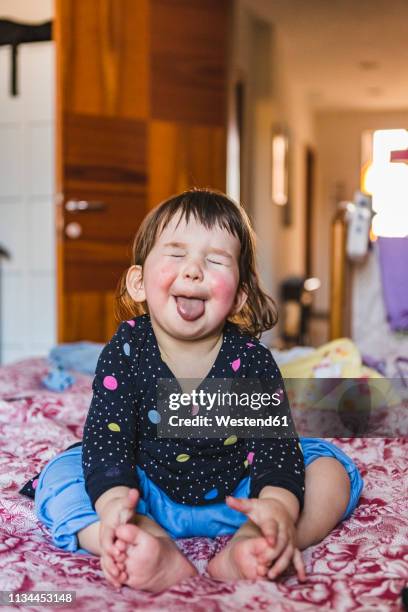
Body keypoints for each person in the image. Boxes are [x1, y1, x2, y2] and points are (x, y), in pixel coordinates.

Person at [27, 189, 363, 592]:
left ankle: (260, 543)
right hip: (144, 493)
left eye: (216, 260)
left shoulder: (252, 361)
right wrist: (116, 503)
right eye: (175, 253)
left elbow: (276, 448)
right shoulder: (127, 349)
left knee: (330, 469)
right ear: (138, 282)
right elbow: (108, 440)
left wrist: (276, 505)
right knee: (61, 476)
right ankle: (138, 543)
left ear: (239, 295)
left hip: (240, 496)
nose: (193, 270)